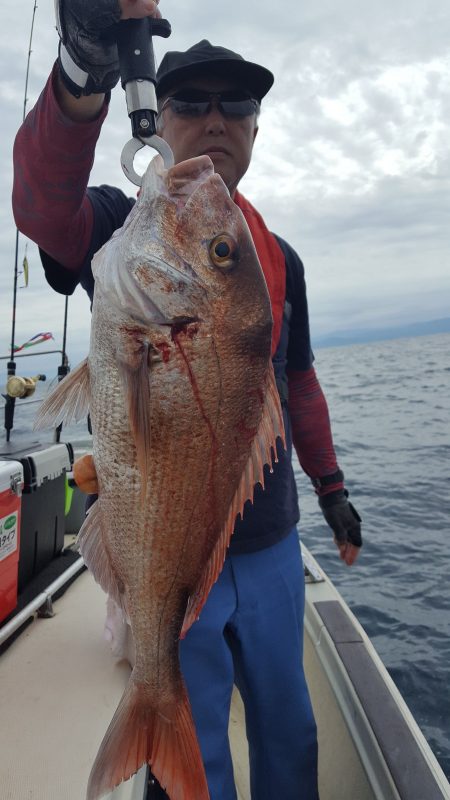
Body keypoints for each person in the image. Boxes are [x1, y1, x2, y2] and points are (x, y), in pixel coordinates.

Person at [12, 2, 362, 798]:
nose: (215, 120)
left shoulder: (281, 260)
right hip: (166, 546)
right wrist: (80, 75)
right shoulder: (119, 227)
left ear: (257, 129)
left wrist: (333, 490)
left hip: (272, 543)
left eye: (236, 105)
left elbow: (295, 381)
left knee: (291, 728)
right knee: (194, 745)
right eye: (191, 101)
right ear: (158, 119)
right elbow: (40, 204)